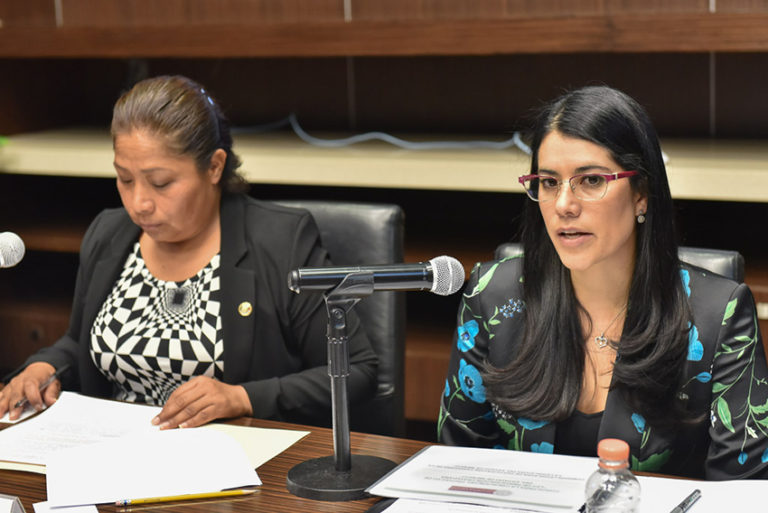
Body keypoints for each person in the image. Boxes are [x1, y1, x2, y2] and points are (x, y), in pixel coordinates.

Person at [0, 75, 378, 428]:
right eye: (125, 179)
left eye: (161, 183)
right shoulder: (108, 233)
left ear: (214, 167)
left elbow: (358, 371)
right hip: (114, 451)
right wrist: (45, 367)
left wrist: (243, 398)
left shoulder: (281, 241)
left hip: (233, 455)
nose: (139, 203)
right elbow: (81, 342)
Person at [438, 85, 768, 480]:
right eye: (549, 182)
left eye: (591, 180)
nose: (564, 205)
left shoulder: (719, 316)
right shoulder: (491, 296)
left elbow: (743, 490)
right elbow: (458, 466)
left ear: (642, 193)